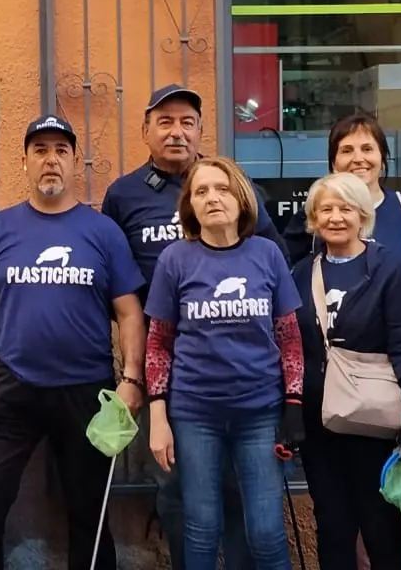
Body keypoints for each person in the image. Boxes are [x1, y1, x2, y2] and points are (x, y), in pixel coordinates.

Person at [99, 83, 287, 570]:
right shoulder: (122, 195)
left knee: (244, 500)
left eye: (187, 122)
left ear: (202, 130)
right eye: (165, 122)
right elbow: (115, 287)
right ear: (145, 131)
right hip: (174, 377)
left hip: (250, 385)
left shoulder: (235, 188)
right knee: (180, 494)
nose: (177, 131)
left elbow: (274, 278)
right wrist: (134, 376)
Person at [0, 114, 147, 570]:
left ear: (74, 162)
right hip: (12, 383)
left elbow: (128, 311)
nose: (51, 160)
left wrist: (133, 379)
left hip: (86, 388)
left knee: (89, 511)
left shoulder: (102, 232)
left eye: (60, 151)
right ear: (25, 161)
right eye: (40, 150)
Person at [144, 157, 302, 570]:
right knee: (201, 525)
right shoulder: (175, 260)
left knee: (266, 532)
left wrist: (294, 406)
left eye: (222, 188)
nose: (213, 198)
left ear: (241, 197)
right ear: (190, 206)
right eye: (201, 191)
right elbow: (159, 342)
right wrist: (158, 417)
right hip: (195, 414)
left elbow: (289, 338)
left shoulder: (266, 254)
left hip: (260, 414)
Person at [291, 172, 401, 570]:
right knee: (332, 525)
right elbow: (291, 346)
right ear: (313, 218)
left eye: (345, 208)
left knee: (381, 526)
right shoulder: (301, 273)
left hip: (375, 419)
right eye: (326, 209)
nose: (336, 217)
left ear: (362, 214)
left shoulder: (389, 269)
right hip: (318, 421)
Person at [325, 112, 401, 285]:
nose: (358, 159)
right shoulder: (316, 214)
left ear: (383, 158)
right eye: (347, 150)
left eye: (367, 149)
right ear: (334, 163)